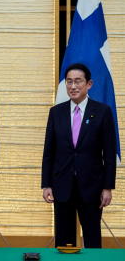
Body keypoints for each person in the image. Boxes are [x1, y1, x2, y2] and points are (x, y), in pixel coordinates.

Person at [41, 63, 116, 248]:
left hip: (92, 186)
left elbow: (109, 152)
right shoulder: (56, 112)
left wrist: (108, 187)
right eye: (69, 82)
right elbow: (48, 152)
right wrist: (46, 184)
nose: (73, 86)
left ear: (88, 84)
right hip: (62, 185)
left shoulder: (102, 112)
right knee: (63, 239)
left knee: (92, 237)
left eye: (78, 81)